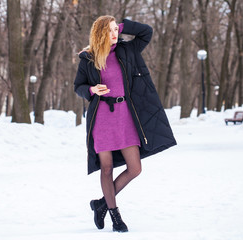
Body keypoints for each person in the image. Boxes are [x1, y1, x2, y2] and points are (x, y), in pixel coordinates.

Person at [74, 16, 177, 232]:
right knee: (106, 168)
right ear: (100, 33)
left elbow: (146, 31)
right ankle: (114, 215)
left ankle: (101, 203)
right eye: (110, 31)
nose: (114, 34)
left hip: (126, 116)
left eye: (116, 30)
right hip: (102, 117)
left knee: (135, 168)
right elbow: (79, 86)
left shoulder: (127, 50)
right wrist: (92, 90)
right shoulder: (88, 58)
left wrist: (120, 25)